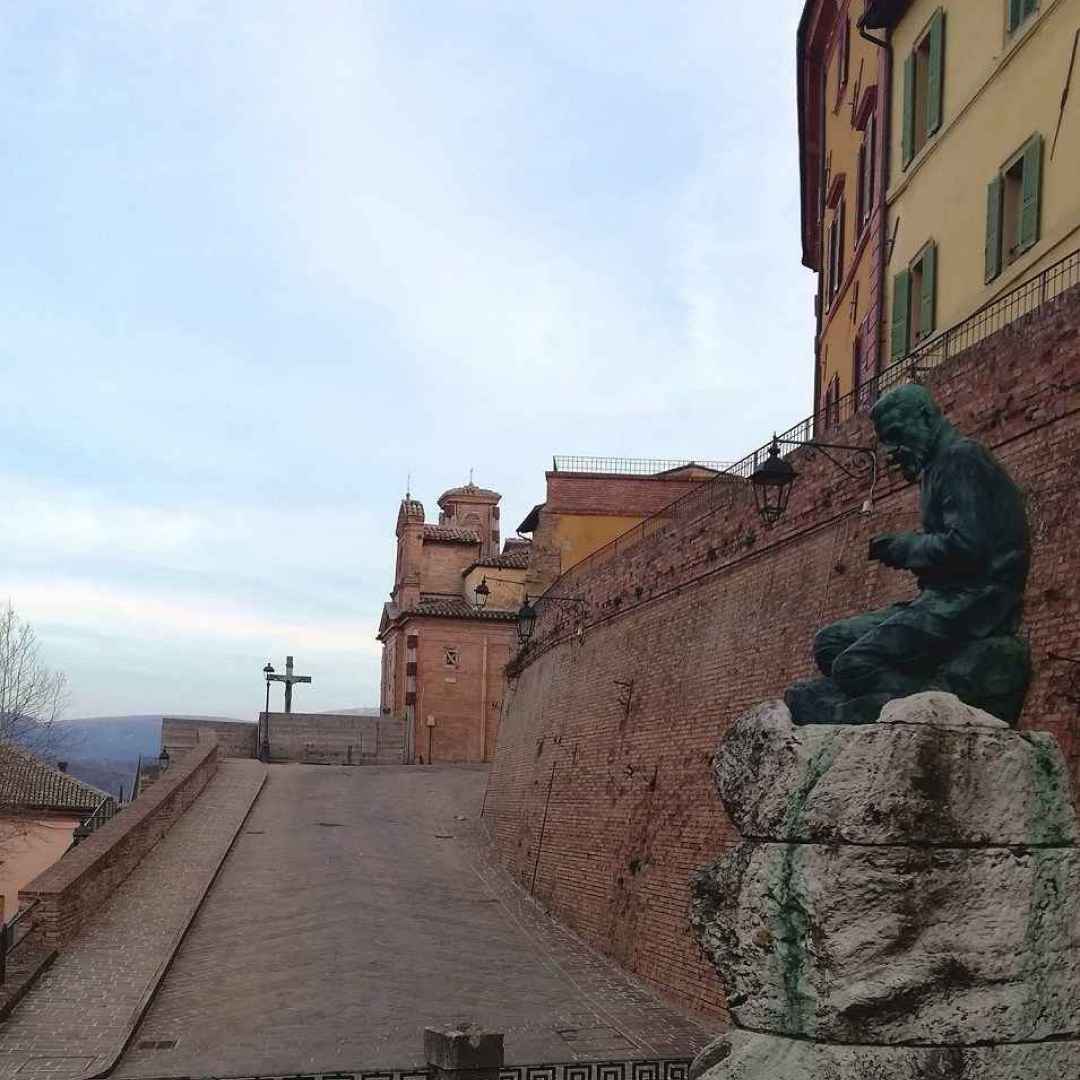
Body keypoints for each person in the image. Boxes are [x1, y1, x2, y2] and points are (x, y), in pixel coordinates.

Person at [787, 383, 1031, 725]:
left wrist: (906, 548)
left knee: (853, 664)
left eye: (897, 435)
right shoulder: (936, 468)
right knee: (830, 643)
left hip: (976, 604)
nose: (890, 450)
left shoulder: (962, 458)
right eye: (885, 439)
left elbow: (968, 547)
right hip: (941, 599)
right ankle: (890, 698)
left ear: (926, 417)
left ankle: (929, 706)